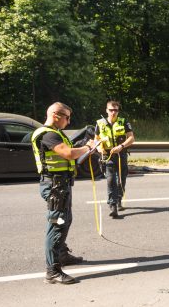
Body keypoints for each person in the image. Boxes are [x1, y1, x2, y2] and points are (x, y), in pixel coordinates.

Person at [31, 102, 98, 285]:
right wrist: (88, 148)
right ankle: (52, 271)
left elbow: (69, 150)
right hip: (54, 186)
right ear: (56, 115)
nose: (69, 122)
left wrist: (86, 145)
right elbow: (68, 153)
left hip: (61, 185)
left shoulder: (56, 133)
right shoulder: (48, 134)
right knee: (57, 223)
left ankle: (62, 255)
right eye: (67, 117)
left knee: (65, 219)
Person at [94, 100, 135, 219]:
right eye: (111, 110)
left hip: (121, 154)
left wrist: (121, 146)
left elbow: (131, 138)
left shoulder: (123, 122)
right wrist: (99, 149)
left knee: (121, 180)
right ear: (106, 110)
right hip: (108, 156)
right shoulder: (100, 123)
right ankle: (113, 206)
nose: (113, 112)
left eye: (115, 110)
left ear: (118, 111)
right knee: (110, 180)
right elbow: (96, 139)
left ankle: (119, 199)